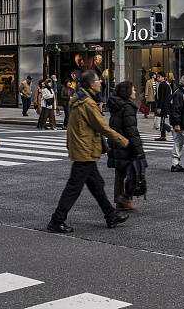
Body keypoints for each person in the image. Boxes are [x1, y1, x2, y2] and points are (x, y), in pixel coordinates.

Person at [47, 70, 130, 234]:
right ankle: (57, 220)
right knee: (74, 188)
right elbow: (102, 127)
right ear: (92, 85)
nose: (101, 83)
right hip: (84, 150)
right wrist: (123, 141)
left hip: (83, 148)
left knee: (97, 185)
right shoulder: (88, 104)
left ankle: (110, 215)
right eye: (98, 81)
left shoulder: (79, 98)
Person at [107, 80, 146, 211]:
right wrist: (138, 149)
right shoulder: (127, 107)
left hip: (117, 142)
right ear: (127, 92)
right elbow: (131, 130)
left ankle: (119, 200)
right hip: (126, 143)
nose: (135, 91)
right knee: (134, 170)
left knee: (120, 171)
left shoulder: (117, 105)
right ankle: (124, 197)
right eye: (133, 89)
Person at [154, 72, 171, 141]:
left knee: (161, 121)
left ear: (162, 77)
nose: (157, 78)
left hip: (162, 105)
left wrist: (159, 107)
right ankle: (163, 135)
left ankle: (169, 129)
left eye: (159, 77)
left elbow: (161, 97)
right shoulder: (167, 85)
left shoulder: (161, 85)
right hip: (166, 105)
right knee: (162, 120)